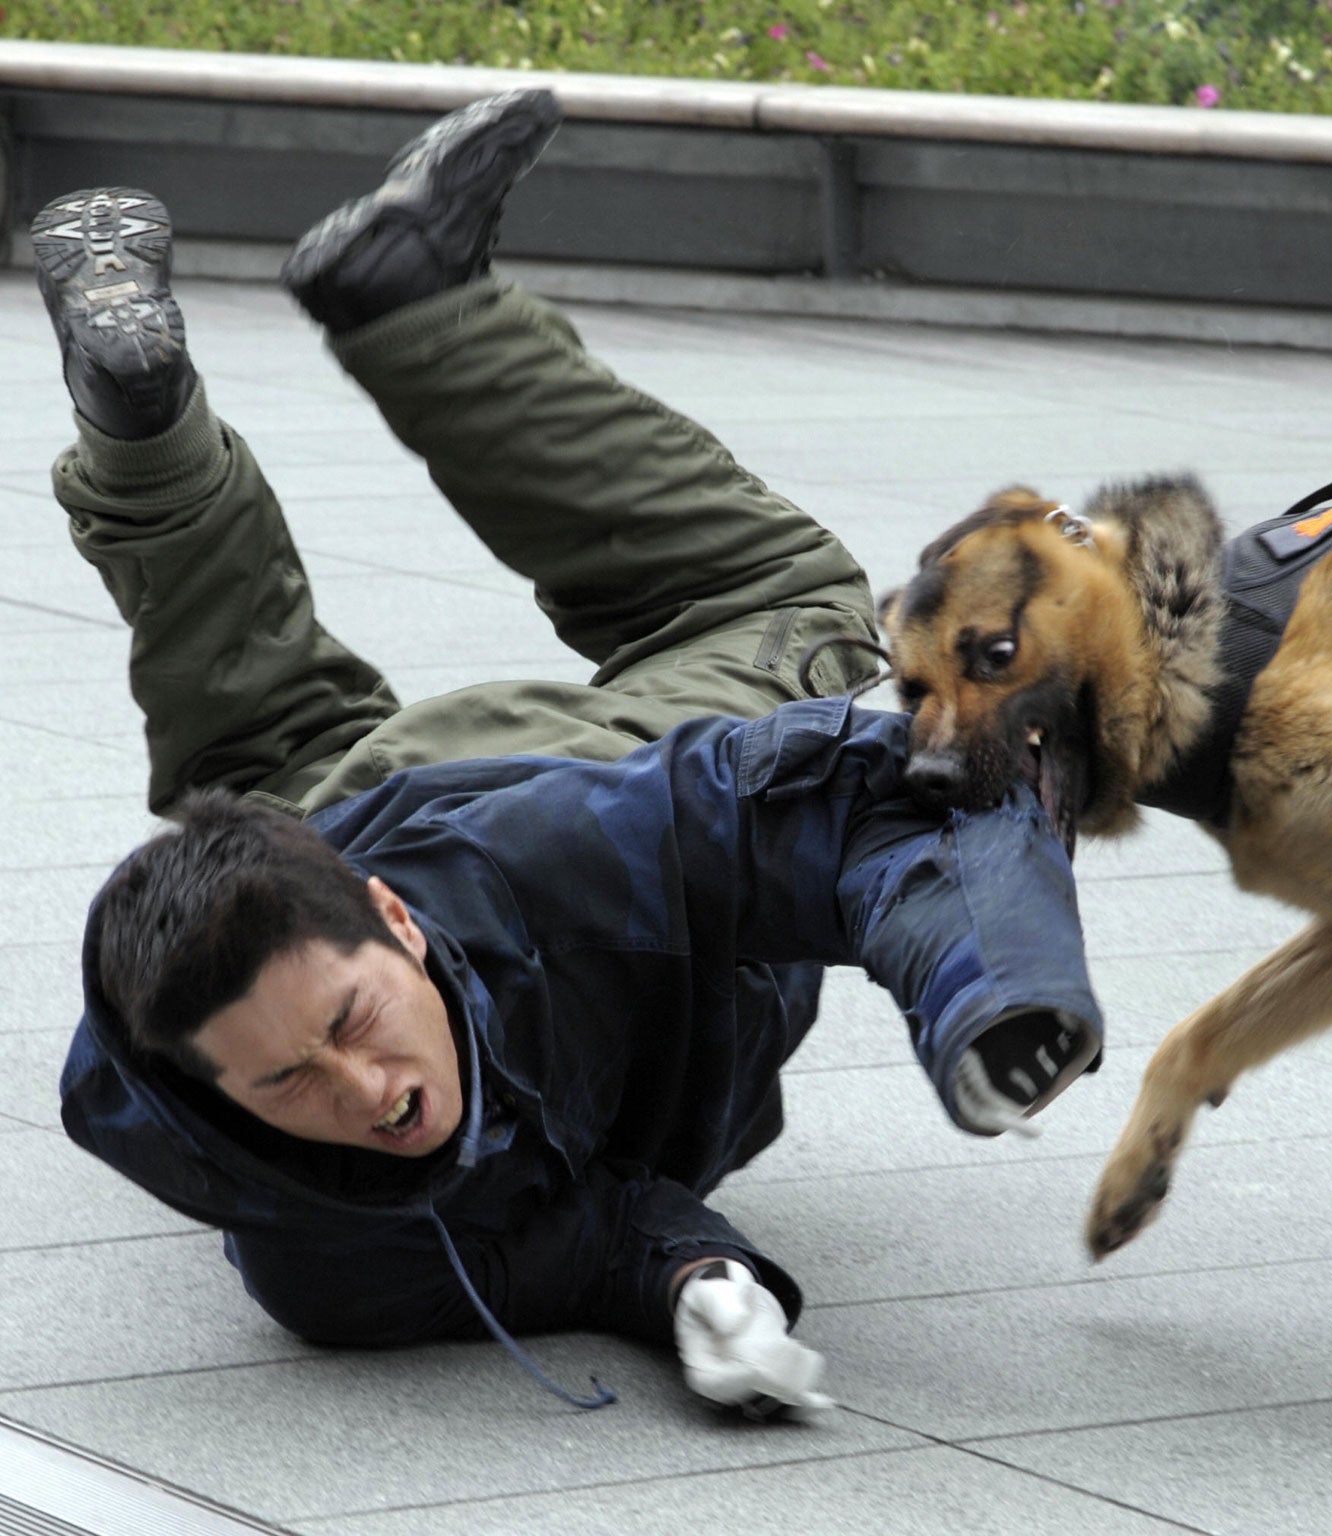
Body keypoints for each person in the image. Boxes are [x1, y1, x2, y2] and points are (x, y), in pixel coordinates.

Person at [45, 89, 1103, 1421]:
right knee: (260, 757)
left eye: (352, 1028)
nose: (366, 1093)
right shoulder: (335, 1274)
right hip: (328, 818)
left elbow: (852, 802)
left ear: (397, 925)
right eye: (285, 1084)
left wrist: (989, 997)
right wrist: (696, 1281)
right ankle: (146, 429)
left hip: (537, 802)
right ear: (217, 1097)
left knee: (785, 609)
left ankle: (416, 303)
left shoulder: (551, 862)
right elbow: (578, 1239)